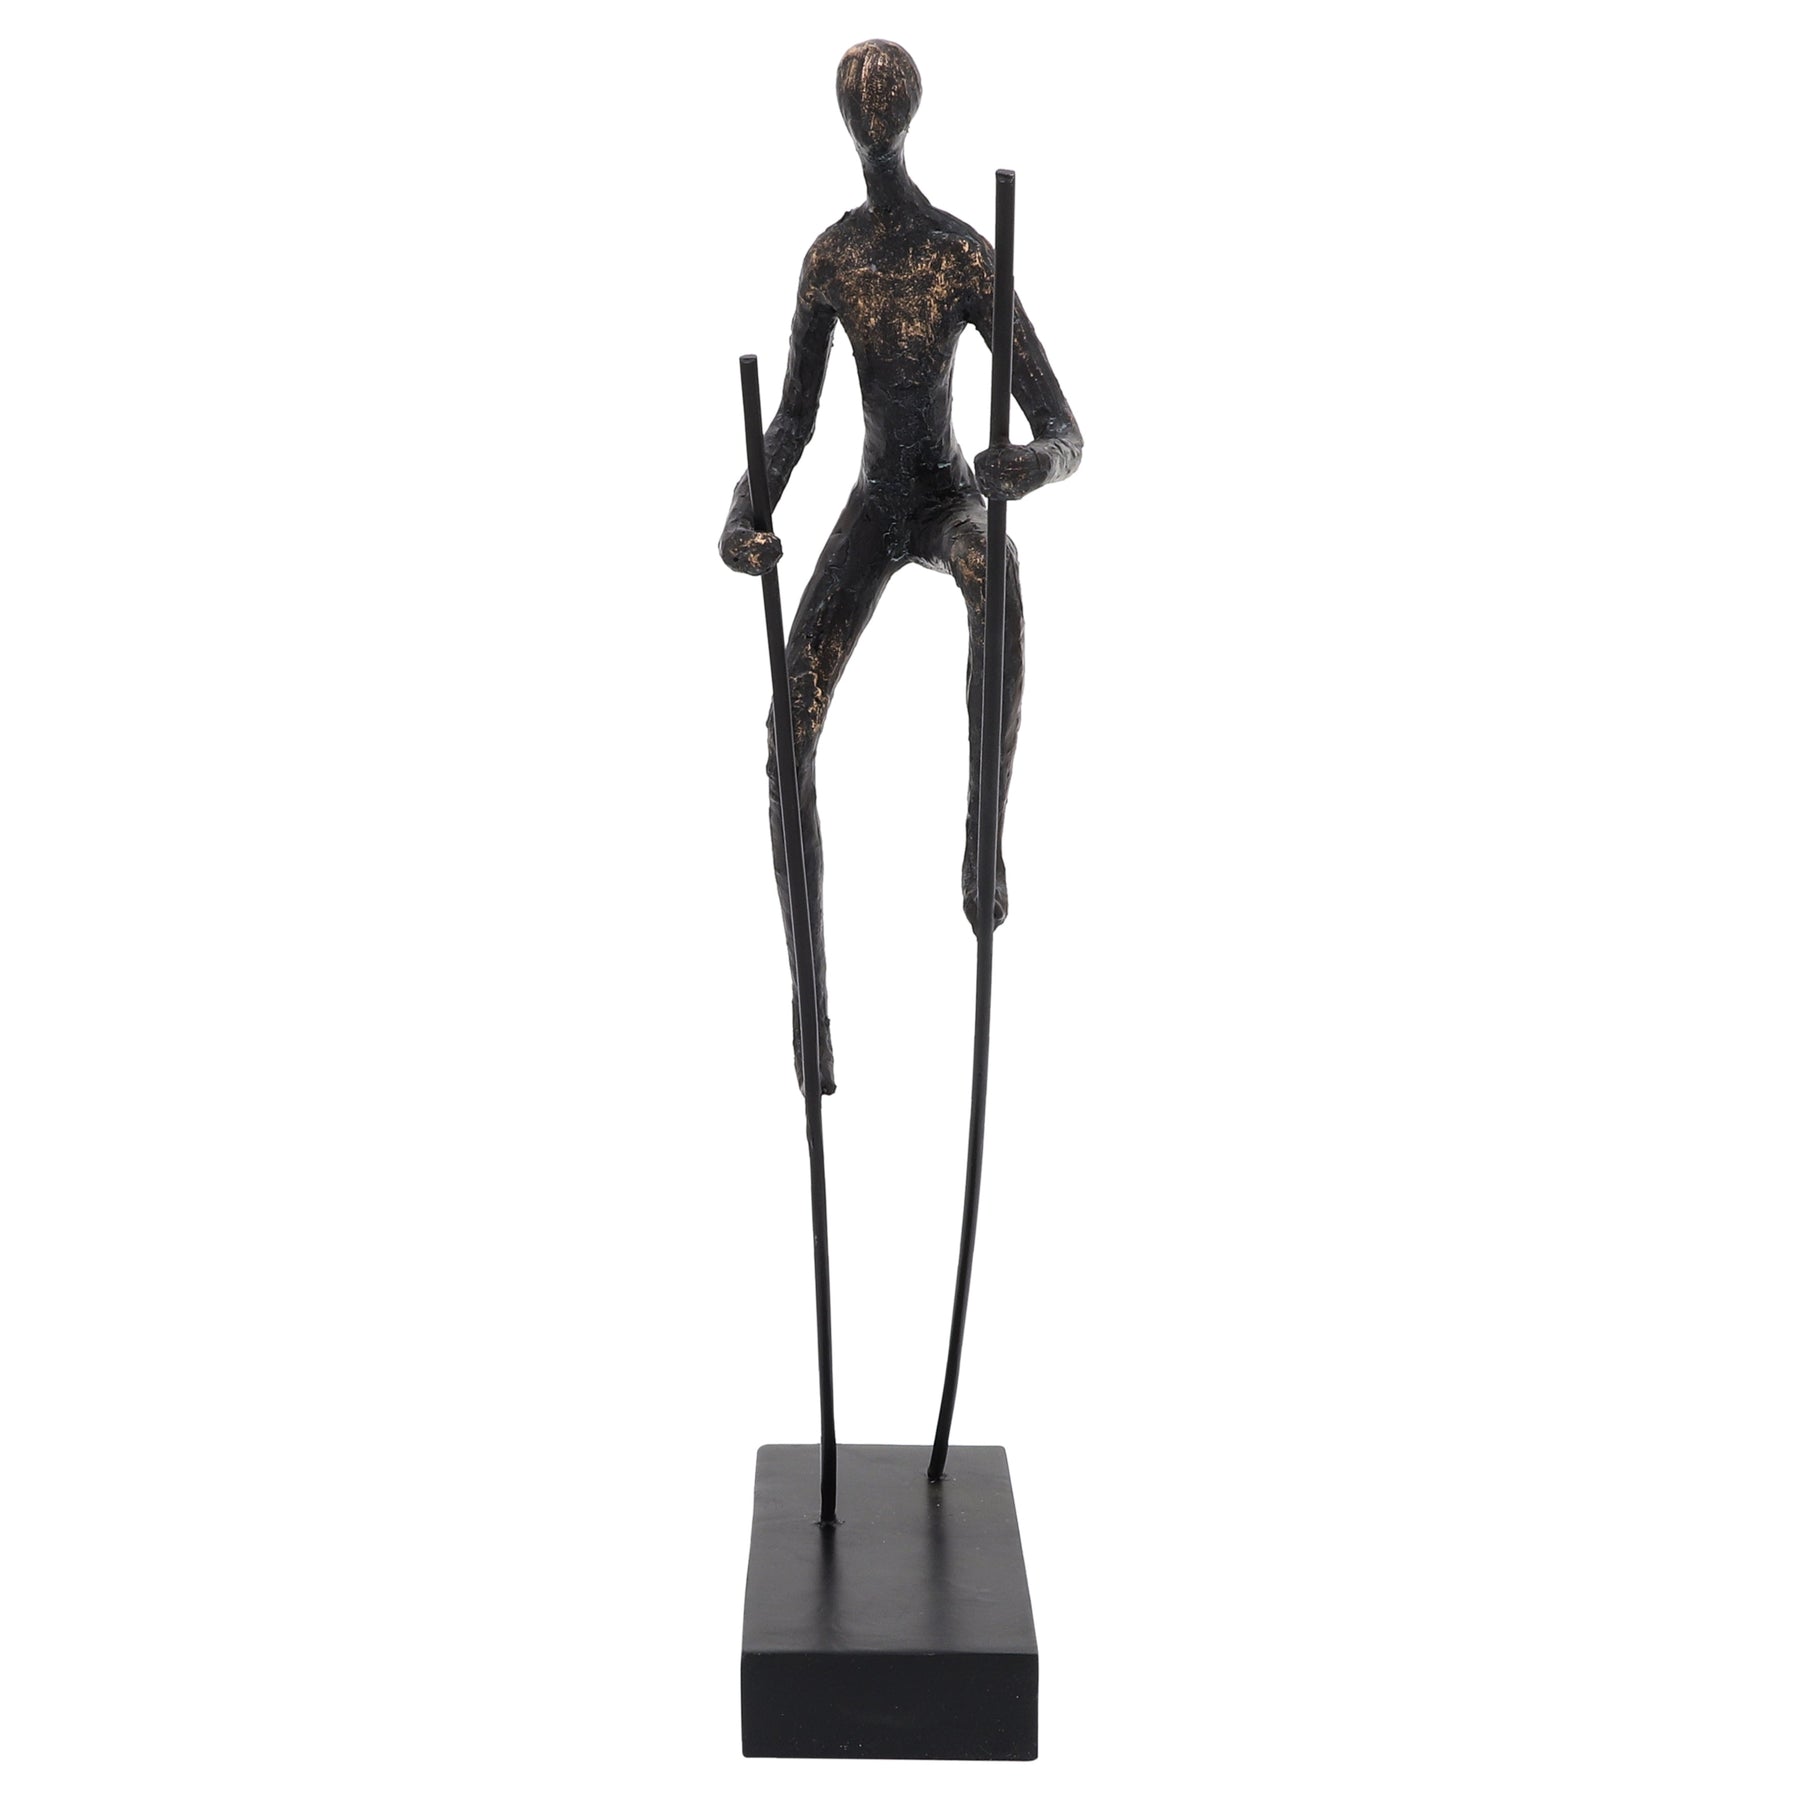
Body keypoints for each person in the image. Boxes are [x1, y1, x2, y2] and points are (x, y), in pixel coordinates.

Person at [720, 39, 1083, 1093]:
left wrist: (1027, 467)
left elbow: (1063, 428)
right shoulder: (832, 260)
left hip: (943, 497)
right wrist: (743, 515)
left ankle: (982, 837)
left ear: (905, 115)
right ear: (849, 122)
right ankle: (811, 1010)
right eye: (860, 105)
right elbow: (791, 422)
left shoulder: (963, 255)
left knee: (994, 579)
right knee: (788, 734)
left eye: (883, 104)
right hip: (875, 505)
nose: (873, 120)